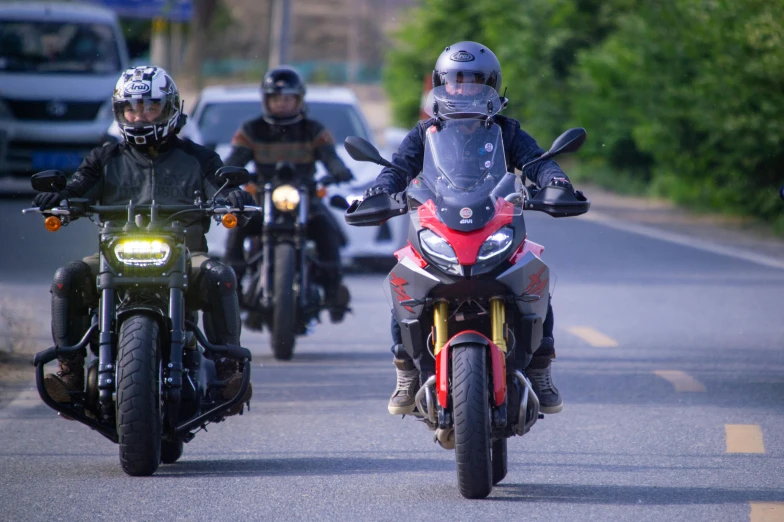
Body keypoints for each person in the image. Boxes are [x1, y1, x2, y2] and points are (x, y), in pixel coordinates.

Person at [365, 41, 576, 416]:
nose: (463, 89)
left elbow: (536, 162)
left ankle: (540, 365)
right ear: (439, 85)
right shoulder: (424, 133)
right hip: (439, 224)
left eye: (475, 81)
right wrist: (382, 189)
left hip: (494, 223)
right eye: (455, 80)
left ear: (492, 86)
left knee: (534, 272)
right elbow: (399, 168)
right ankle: (405, 369)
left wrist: (555, 181)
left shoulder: (507, 131)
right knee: (405, 275)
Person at [33, 66, 254, 415]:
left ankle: (229, 370)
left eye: (150, 107)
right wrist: (59, 199)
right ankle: (70, 372)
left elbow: (222, 186)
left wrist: (233, 197)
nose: (140, 115)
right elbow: (77, 188)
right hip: (113, 255)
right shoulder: (104, 158)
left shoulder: (199, 158)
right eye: (131, 108)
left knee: (220, 274)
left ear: (170, 109)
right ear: (119, 112)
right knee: (67, 276)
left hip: (185, 254)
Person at [222, 66, 353, 323]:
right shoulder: (251, 129)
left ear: (298, 100)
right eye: (276, 98)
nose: (282, 103)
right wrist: (229, 175)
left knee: (328, 230)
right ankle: (230, 292)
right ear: (266, 100)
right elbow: (235, 159)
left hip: (306, 198)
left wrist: (339, 171)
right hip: (262, 199)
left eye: (288, 98)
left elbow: (331, 158)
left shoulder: (313, 129)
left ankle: (332, 290)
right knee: (236, 230)